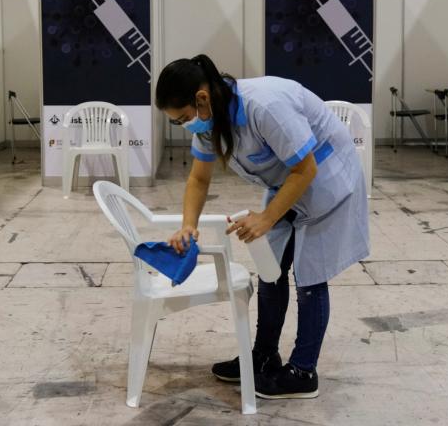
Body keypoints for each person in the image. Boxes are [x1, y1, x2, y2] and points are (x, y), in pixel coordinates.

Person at [155, 54, 370, 400]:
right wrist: (187, 227)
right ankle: (264, 356)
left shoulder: (265, 105)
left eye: (183, 119)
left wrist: (266, 218)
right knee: (270, 270)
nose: (184, 126)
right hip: (289, 181)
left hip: (325, 176)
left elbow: (306, 169)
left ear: (202, 98)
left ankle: (303, 372)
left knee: (310, 276)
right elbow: (198, 178)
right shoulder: (211, 120)